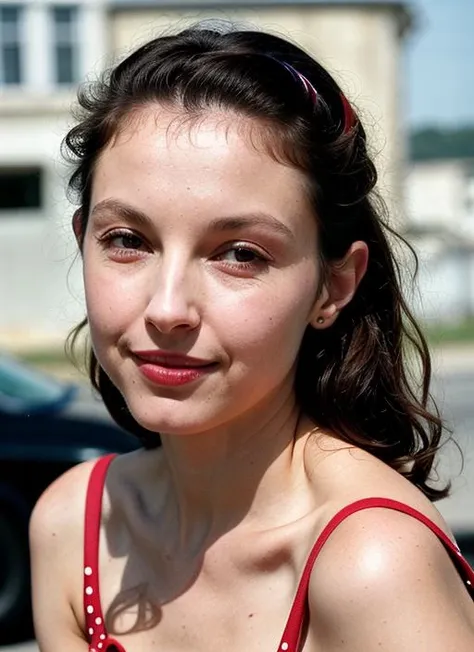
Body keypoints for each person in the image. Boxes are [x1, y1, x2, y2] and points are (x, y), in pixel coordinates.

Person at [29, 22, 474, 652]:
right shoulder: (72, 525)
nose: (167, 308)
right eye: (127, 241)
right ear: (83, 241)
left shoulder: (371, 564)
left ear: (333, 286)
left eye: (239, 254)